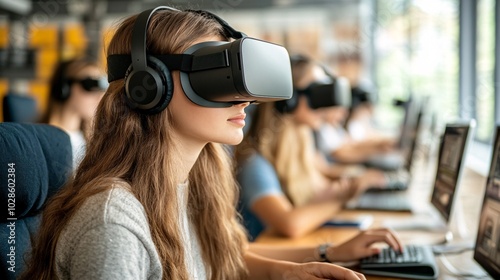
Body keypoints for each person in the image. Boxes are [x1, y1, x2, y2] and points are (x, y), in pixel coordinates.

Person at [20, 7, 366, 280]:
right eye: (214, 77)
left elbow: (222, 258)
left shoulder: (192, 183)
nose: (241, 98)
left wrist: (288, 270)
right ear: (150, 86)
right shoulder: (113, 224)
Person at [235, 56, 394, 241]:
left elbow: (319, 189)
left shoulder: (301, 146)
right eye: (318, 91)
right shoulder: (255, 162)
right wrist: (342, 198)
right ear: (289, 98)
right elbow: (290, 224)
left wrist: (353, 185)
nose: (326, 106)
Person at [42, 58, 107, 169]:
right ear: (64, 89)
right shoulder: (42, 141)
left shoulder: (94, 141)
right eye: (90, 84)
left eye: (102, 86)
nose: (99, 95)